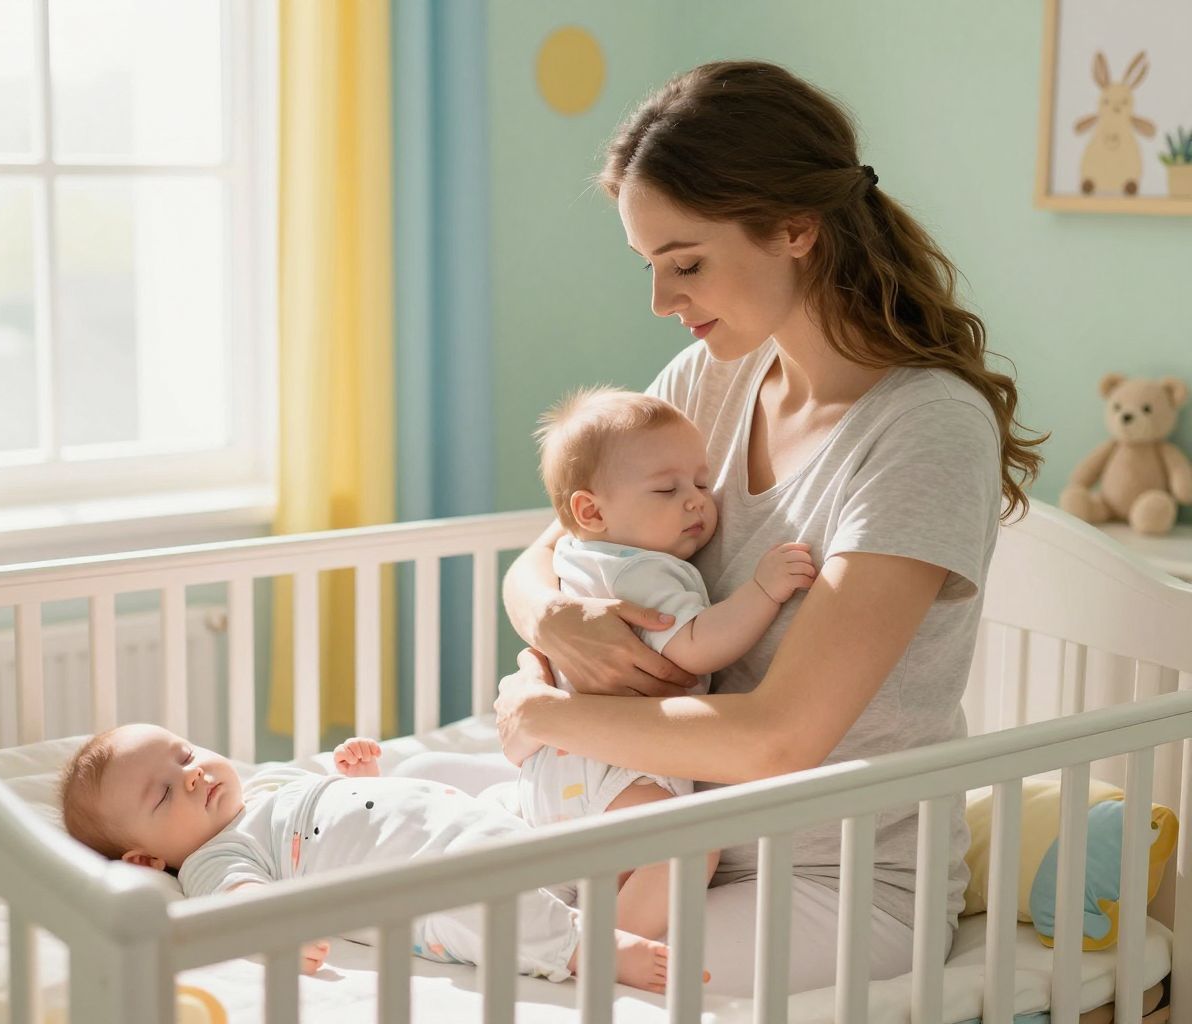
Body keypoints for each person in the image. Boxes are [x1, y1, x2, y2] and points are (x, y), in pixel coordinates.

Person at [492, 60, 1043, 995]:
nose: (663, 303)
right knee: (402, 887)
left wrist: (547, 714)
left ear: (796, 229)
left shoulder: (926, 430)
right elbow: (552, 551)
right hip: (664, 824)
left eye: (687, 262)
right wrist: (550, 616)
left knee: (550, 982)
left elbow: (781, 739)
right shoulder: (712, 378)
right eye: (651, 266)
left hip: (832, 876)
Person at [59, 724, 671, 991]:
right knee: (479, 904)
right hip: (431, 880)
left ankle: (625, 866)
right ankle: (587, 948)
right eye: (165, 792)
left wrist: (368, 777)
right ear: (143, 860)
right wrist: (275, 932)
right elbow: (239, 907)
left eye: (185, 755)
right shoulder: (211, 859)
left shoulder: (268, 782)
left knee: (506, 798)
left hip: (476, 821)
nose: (192, 777)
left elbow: (356, 816)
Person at [520, 385, 814, 938]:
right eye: (666, 489)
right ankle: (599, 953)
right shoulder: (643, 572)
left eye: (702, 483)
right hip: (618, 768)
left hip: (560, 773)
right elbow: (697, 645)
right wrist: (763, 590)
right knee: (687, 850)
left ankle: (565, 929)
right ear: (590, 510)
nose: (697, 501)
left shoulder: (577, 556)